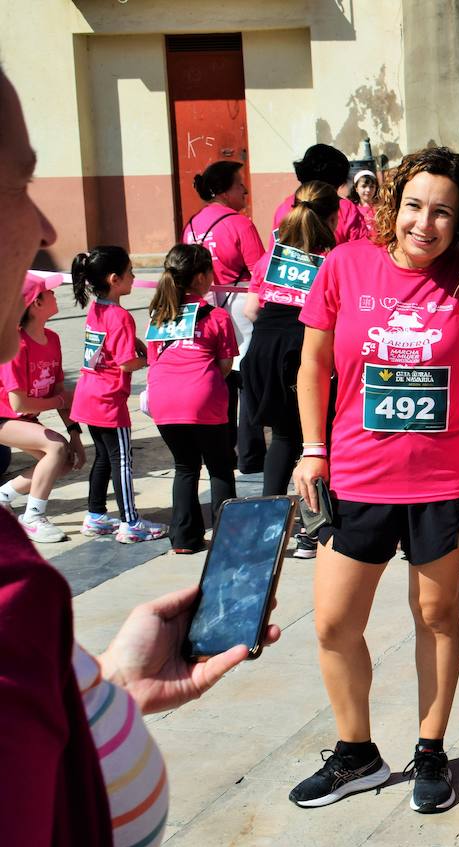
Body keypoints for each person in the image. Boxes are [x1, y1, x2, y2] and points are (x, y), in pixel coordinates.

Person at [0, 61, 281, 847]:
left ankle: (182, 531)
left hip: (164, 410)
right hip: (193, 408)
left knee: (187, 478)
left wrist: (104, 692)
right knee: (212, 476)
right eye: (17, 183)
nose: (47, 225)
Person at [289, 145, 459, 815]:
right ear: (392, 206)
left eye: (443, 213)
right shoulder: (345, 265)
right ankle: (357, 754)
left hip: (441, 483)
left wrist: (446, 429)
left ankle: (431, 748)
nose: (425, 224)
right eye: (414, 207)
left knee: (437, 615)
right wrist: (313, 450)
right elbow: (313, 365)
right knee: (333, 622)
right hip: (355, 477)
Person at [241, 181, 341, 559]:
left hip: (264, 351)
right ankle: (310, 534)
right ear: (332, 219)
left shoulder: (270, 258)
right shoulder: (330, 261)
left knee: (282, 439)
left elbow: (250, 309)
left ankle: (268, 533)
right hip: (305, 350)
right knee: (315, 440)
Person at [69, 245, 167, 544]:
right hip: (108, 400)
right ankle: (131, 522)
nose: (134, 277)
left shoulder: (97, 308)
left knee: (103, 457)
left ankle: (95, 514)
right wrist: (150, 359)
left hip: (88, 394)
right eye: (130, 273)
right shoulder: (122, 316)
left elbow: (112, 342)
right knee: (122, 461)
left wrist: (135, 343)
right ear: (114, 279)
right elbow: (126, 363)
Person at [145, 244, 239, 555]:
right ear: (200, 277)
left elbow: (154, 360)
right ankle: (226, 538)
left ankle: (184, 539)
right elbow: (225, 364)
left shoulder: (158, 316)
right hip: (202, 398)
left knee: (185, 467)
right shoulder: (217, 316)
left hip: (162, 400)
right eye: (211, 270)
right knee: (220, 467)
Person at [182, 158, 267, 474]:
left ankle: (220, 448)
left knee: (218, 376)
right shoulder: (240, 224)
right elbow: (260, 271)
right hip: (240, 306)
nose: (245, 190)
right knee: (247, 377)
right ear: (223, 191)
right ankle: (251, 454)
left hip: (202, 309)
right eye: (239, 184)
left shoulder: (191, 226)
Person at [0, 272, 85, 542]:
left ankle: (3, 496)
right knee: (55, 447)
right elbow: (19, 402)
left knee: (63, 461)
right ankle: (33, 518)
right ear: (36, 303)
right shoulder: (15, 344)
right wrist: (59, 402)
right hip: (4, 417)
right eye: (49, 292)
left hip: (21, 418)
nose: (54, 294)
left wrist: (75, 433)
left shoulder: (53, 338)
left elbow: (59, 391)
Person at [272, 144, 371, 245]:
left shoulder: (284, 208)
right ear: (338, 181)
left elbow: (275, 251)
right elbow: (363, 249)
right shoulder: (346, 209)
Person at [352, 168, 380, 233]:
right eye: (364, 186)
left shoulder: (380, 208)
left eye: (372, 186)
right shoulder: (352, 209)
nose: (368, 190)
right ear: (356, 188)